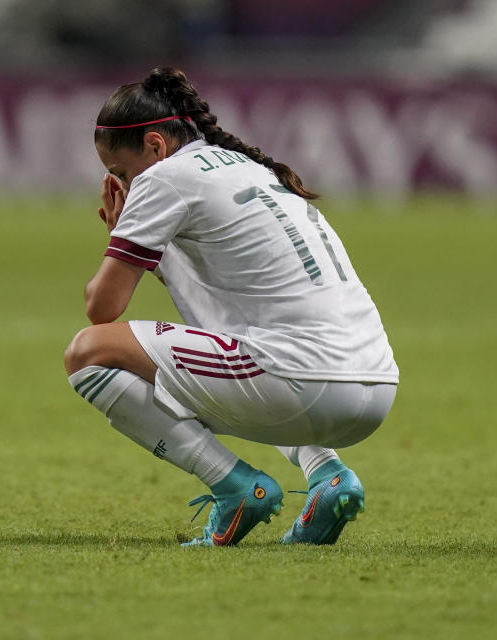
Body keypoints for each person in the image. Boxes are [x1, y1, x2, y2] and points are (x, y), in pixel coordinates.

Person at [64, 67, 399, 547]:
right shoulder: (251, 168)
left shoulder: (164, 179)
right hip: (375, 385)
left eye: (120, 172)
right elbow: (219, 319)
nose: (123, 183)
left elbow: (102, 307)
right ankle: (327, 476)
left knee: (88, 353)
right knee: (252, 349)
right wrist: (152, 255)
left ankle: (236, 486)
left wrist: (121, 236)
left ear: (156, 147)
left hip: (305, 381)